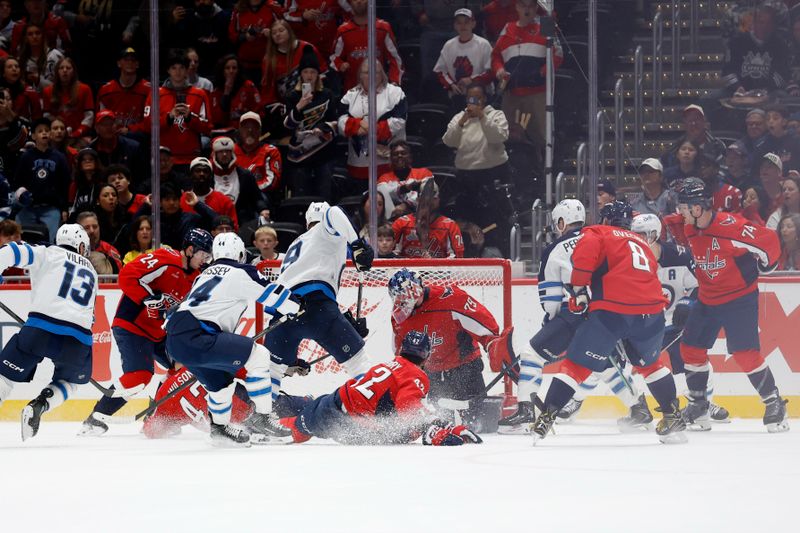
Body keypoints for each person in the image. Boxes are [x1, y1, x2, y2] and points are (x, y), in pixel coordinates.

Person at [529, 201, 686, 445]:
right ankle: (672, 415)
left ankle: (547, 415)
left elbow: (583, 260)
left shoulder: (597, 232)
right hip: (652, 313)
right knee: (651, 365)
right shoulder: (642, 244)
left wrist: (579, 291)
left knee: (576, 365)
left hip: (613, 311)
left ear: (604, 221)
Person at [497, 200, 652, 434]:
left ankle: (526, 409)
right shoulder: (602, 239)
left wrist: (551, 323)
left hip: (573, 313)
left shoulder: (555, 249)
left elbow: (551, 301)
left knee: (532, 354)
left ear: (561, 222)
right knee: (602, 362)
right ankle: (639, 408)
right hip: (606, 313)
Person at [676, 177, 788, 432]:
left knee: (744, 353)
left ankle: (775, 403)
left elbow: (770, 241)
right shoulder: (690, 228)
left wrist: (765, 266)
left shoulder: (731, 226)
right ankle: (698, 406)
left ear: (696, 208)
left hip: (739, 298)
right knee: (691, 348)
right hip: (707, 298)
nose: (680, 212)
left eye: (683, 208)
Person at [79, 228, 213, 436]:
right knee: (139, 375)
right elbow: (127, 275)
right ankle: (95, 419)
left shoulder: (197, 278)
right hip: (132, 325)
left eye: (208, 255)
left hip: (160, 332)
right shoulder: (165, 258)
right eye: (203, 254)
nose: (206, 259)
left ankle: (157, 417)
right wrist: (147, 297)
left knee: (183, 365)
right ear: (189, 250)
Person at [166, 232, 294, 446]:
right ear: (240, 253)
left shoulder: (203, 275)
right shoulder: (242, 271)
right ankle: (263, 418)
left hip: (176, 341)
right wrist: (296, 305)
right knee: (259, 355)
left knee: (221, 384)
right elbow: (271, 293)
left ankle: (219, 428)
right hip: (200, 336)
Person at [279, 330, 483, 446]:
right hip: (343, 419)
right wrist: (432, 429)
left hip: (336, 401)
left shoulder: (390, 365)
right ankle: (267, 421)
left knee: (307, 406)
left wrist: (440, 425)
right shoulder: (416, 374)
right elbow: (408, 408)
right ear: (426, 355)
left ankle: (272, 408)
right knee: (295, 429)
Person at [263, 202, 375, 403]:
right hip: (317, 307)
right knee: (358, 363)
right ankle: (379, 413)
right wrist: (358, 244)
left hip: (282, 314)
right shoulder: (327, 231)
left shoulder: (296, 244)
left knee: (272, 371)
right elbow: (334, 212)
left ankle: (260, 418)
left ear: (307, 223)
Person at [630, 213, 729, 424]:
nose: (637, 240)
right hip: (643, 324)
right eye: (634, 235)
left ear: (655, 234)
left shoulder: (680, 256)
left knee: (695, 360)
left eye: (642, 235)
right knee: (619, 366)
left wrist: (688, 303)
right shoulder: (628, 259)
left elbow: (702, 283)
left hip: (674, 324)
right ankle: (638, 409)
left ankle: (702, 403)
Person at [0, 224, 96, 440]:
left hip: (40, 329)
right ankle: (39, 405)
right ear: (81, 246)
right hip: (78, 337)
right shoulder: (91, 270)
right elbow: (91, 316)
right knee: (71, 382)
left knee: (4, 377)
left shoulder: (46, 253)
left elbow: (8, 251)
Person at [388, 268, 502, 429]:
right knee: (443, 427)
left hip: (465, 368)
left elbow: (486, 327)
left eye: (402, 296)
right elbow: (401, 357)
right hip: (431, 376)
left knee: (481, 425)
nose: (400, 302)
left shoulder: (452, 299)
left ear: (414, 291)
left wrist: (492, 344)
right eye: (396, 297)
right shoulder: (399, 318)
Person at [442, 83, 509, 247]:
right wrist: (462, 122)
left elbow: (498, 137)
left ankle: (495, 249)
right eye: (470, 98)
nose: (474, 102)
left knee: (493, 219)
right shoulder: (460, 117)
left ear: (484, 99)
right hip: (466, 177)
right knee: (467, 219)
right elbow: (448, 140)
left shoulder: (496, 115)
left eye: (477, 98)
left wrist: (481, 117)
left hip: (492, 175)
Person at [492, 0, 562, 153]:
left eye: (531, 5)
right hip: (512, 95)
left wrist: (541, 72)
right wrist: (499, 71)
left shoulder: (546, 24)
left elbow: (558, 54)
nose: (527, 9)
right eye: (523, 5)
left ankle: (543, 170)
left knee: (541, 137)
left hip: (537, 93)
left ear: (536, 7)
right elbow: (496, 56)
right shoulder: (507, 28)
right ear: (517, 7)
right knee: (508, 136)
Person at [338, 59, 407, 185]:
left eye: (376, 72)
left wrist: (371, 129)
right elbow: (341, 122)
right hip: (359, 165)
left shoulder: (395, 92)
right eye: (367, 72)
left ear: (382, 74)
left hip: (389, 164)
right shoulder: (350, 95)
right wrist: (358, 125)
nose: (371, 76)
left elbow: (400, 121)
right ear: (360, 75)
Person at [143, 49, 212, 172]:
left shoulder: (200, 94)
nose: (178, 72)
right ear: (168, 70)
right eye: (174, 68)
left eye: (181, 68)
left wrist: (190, 118)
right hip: (164, 160)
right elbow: (147, 126)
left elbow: (208, 127)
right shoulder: (155, 95)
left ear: (186, 70)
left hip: (191, 158)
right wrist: (169, 117)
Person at [282, 51, 338, 198]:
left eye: (312, 72)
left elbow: (335, 121)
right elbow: (287, 126)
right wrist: (299, 106)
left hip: (323, 151)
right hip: (299, 155)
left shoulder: (327, 94)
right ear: (301, 74)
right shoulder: (291, 95)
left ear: (318, 75)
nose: (309, 75)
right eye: (306, 72)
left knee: (324, 195)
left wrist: (323, 128)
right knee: (301, 195)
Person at [14, 117, 71, 243]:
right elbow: (17, 182)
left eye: (46, 130)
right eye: (40, 131)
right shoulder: (26, 157)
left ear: (50, 134)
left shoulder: (59, 158)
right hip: (28, 208)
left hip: (51, 208)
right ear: (33, 136)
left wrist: (64, 208)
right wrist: (21, 194)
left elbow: (64, 184)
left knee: (50, 243)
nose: (44, 133)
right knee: (20, 240)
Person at [330, 0, 403, 92]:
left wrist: (394, 83)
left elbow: (395, 60)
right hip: (352, 93)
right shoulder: (343, 31)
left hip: (379, 92)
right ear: (350, 3)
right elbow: (333, 57)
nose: (359, 1)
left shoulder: (383, 28)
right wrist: (340, 65)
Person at [721, 4, 789, 96]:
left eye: (769, 23)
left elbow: (782, 74)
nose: (765, 27)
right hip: (739, 91)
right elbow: (727, 71)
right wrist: (738, 87)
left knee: (782, 95)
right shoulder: (736, 42)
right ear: (754, 23)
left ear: (774, 25)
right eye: (761, 22)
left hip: (769, 93)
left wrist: (765, 90)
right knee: (710, 98)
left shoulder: (780, 45)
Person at [433, 9, 493, 107]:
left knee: (475, 120)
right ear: (455, 25)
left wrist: (471, 80)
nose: (463, 26)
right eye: (459, 23)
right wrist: (451, 85)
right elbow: (439, 70)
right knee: (458, 121)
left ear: (473, 24)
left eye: (466, 22)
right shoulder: (449, 45)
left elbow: (491, 72)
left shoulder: (483, 44)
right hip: (458, 96)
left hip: (480, 96)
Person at [260, 18, 328, 106]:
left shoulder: (307, 48)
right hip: (286, 105)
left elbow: (323, 71)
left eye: (281, 30)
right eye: (274, 33)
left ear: (289, 31)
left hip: (314, 100)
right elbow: (268, 89)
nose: (277, 34)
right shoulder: (268, 60)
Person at [392, 179, 465, 258]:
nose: (428, 202)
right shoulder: (401, 223)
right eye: (424, 198)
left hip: (438, 270)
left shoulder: (450, 226)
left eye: (433, 198)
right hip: (406, 270)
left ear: (438, 200)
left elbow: (457, 257)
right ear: (418, 200)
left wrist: (433, 265)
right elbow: (389, 254)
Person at [210, 136, 268, 225]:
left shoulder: (245, 175)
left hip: (242, 220)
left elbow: (257, 198)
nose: (224, 154)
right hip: (215, 220)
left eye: (227, 151)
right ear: (215, 154)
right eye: (221, 152)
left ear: (232, 153)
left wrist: (263, 209)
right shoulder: (208, 175)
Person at [95, 47, 151, 133]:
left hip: (138, 136)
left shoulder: (149, 90)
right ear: (119, 63)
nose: (130, 63)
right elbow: (101, 119)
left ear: (137, 64)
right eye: (126, 60)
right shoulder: (106, 90)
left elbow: (151, 122)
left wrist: (130, 129)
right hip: (112, 134)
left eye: (133, 60)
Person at [228, 0, 283, 82]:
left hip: (268, 63)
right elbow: (231, 35)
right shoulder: (238, 10)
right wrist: (244, 36)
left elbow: (286, 32)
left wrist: (272, 33)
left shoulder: (273, 7)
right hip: (244, 64)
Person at [377, 140, 434, 218]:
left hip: (420, 220)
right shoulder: (384, 178)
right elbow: (382, 195)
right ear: (391, 158)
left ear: (410, 156)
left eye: (403, 153)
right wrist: (405, 188)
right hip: (392, 220)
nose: (399, 156)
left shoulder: (424, 173)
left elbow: (428, 194)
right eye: (395, 154)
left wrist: (406, 205)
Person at [42, 57, 94, 141]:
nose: (65, 70)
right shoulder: (47, 91)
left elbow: (89, 116)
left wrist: (77, 133)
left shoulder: (85, 89)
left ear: (73, 71)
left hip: (79, 137)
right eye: (61, 68)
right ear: (57, 72)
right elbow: (46, 116)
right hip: (56, 138)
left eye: (68, 68)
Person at [181, 157, 239, 231]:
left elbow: (234, 229)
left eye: (205, 171)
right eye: (198, 171)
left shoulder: (224, 201)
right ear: (191, 175)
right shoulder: (182, 199)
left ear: (211, 176)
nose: (202, 174)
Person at [660, 105, 726, 170]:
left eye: (697, 119)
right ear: (685, 124)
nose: (693, 123)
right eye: (690, 120)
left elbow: (723, 169)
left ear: (704, 121)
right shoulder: (676, 146)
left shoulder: (717, 145)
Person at [234, 111, 283, 196]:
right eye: (246, 127)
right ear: (240, 130)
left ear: (260, 131)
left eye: (254, 127)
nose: (250, 130)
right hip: (235, 194)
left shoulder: (270, 151)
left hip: (260, 195)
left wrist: (249, 190)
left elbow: (273, 182)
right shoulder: (231, 150)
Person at [88, 109, 144, 182]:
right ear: (96, 129)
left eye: (111, 124)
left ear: (116, 126)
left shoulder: (133, 148)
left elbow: (142, 177)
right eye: (104, 124)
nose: (108, 127)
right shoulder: (90, 151)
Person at [209, 54, 261, 128]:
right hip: (225, 131)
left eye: (234, 68)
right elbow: (217, 119)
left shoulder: (248, 86)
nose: (231, 71)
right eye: (227, 68)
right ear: (222, 71)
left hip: (246, 128)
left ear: (238, 70)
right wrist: (226, 93)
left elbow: (258, 110)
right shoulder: (216, 90)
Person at [0, 55, 42, 122]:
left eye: (17, 66)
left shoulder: (30, 92)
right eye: (9, 67)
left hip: (24, 129)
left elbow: (38, 119)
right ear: (3, 73)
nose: (14, 69)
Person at [761, 103, 800, 173]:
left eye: (775, 118)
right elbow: (756, 172)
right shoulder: (762, 144)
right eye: (767, 119)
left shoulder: (796, 141)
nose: (771, 121)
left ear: (784, 122)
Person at [68, 147, 105, 219]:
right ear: (79, 165)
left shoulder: (103, 182)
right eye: (83, 160)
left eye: (91, 159)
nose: (87, 161)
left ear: (96, 162)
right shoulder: (74, 185)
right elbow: (71, 206)